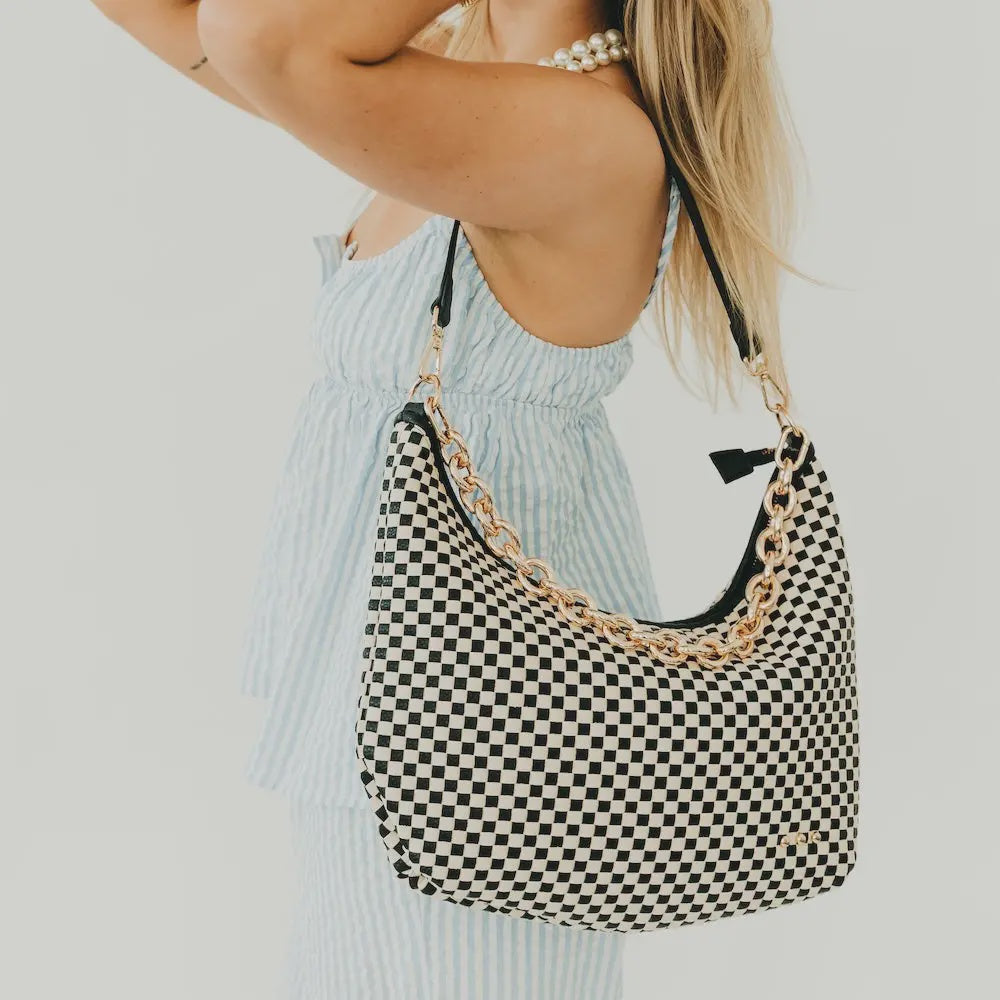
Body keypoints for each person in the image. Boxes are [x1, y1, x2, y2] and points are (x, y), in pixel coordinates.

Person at [91, 1, 801, 996]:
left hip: (478, 743)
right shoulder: (458, 86)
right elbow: (192, 22)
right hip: (377, 712)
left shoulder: (584, 133)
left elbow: (260, 39)